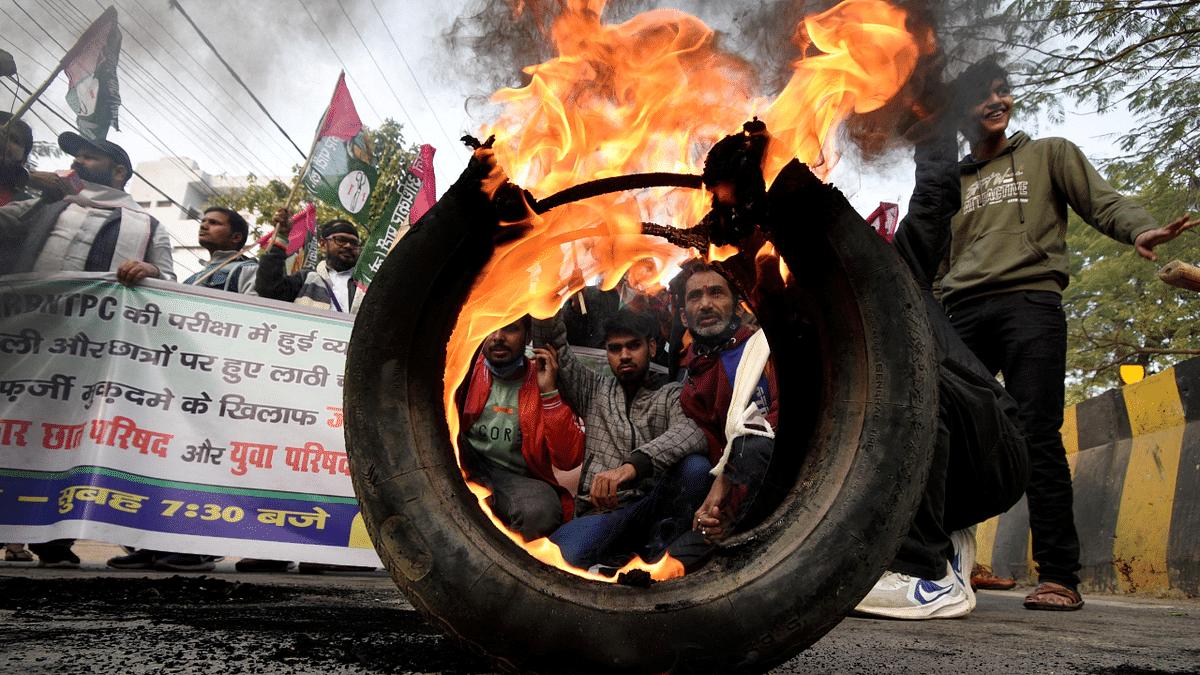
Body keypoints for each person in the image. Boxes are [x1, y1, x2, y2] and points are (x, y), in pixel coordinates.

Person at [940, 58, 1197, 611]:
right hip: (960, 313)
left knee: (1036, 433)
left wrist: (1140, 228)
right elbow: (936, 258)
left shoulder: (1048, 154)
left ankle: (1059, 574)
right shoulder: (949, 182)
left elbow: (1104, 202)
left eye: (1002, 91)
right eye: (981, 95)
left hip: (1030, 303)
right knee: (953, 437)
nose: (996, 101)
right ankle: (947, 561)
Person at [853, 109, 1031, 620]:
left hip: (990, 453)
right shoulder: (820, 339)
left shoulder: (898, 275)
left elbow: (934, 199)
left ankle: (922, 572)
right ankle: (946, 539)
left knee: (905, 387)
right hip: (932, 482)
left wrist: (931, 118)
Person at [533, 308, 709, 573]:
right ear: (607, 353)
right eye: (615, 349)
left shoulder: (672, 394)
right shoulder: (593, 389)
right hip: (604, 514)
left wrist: (631, 467)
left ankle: (656, 556)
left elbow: (692, 432)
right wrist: (548, 291)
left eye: (633, 346)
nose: (624, 356)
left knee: (697, 467)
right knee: (557, 559)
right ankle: (620, 558)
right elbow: (551, 341)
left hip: (653, 510)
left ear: (651, 348)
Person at [674, 262, 778, 548]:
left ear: (739, 308)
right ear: (684, 316)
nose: (705, 304)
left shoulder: (767, 350)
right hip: (736, 509)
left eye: (717, 293)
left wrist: (726, 480)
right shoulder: (693, 387)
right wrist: (720, 517)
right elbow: (715, 454)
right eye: (695, 296)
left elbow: (786, 420)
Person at [455, 317, 585, 539]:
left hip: (516, 479)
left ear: (529, 335)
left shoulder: (543, 378)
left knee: (542, 511)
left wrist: (549, 394)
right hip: (464, 463)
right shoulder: (464, 370)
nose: (498, 337)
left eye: (510, 329)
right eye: (490, 327)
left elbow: (568, 459)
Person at [0, 131, 175, 285]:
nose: (77, 161)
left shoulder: (150, 226)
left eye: (89, 157)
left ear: (118, 172)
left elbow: (169, 282)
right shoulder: (48, 204)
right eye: (76, 156)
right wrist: (25, 177)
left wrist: (152, 271)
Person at [255, 208, 362, 314]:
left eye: (354, 243)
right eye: (340, 240)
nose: (348, 246)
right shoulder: (305, 279)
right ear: (323, 245)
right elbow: (268, 289)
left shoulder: (366, 286)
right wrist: (282, 236)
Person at [182, 206, 258, 293]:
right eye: (203, 221)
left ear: (236, 237)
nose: (203, 226)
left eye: (214, 223)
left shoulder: (248, 270)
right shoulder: (192, 279)